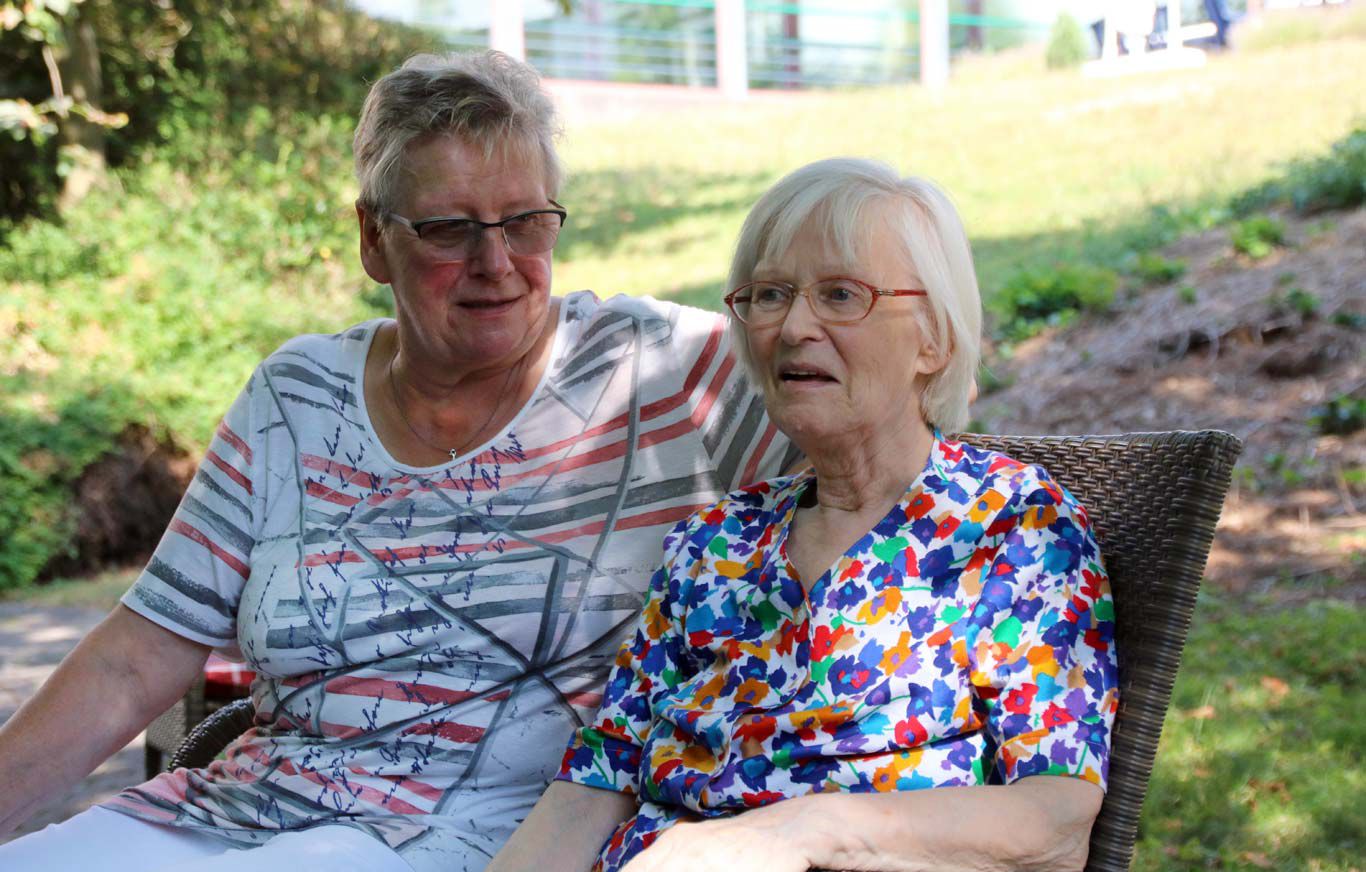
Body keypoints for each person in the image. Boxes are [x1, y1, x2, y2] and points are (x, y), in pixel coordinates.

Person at [0, 51, 793, 872]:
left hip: (482, 843)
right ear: (373, 240)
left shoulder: (658, 373)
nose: (497, 263)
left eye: (526, 221)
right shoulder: (295, 397)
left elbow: (888, 431)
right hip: (229, 815)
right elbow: (136, 658)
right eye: (450, 229)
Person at [489, 159, 1119, 872]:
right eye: (769, 295)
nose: (791, 327)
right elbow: (596, 782)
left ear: (934, 338)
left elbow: (1054, 821)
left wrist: (800, 833)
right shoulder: (714, 541)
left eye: (841, 295)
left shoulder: (1011, 526)